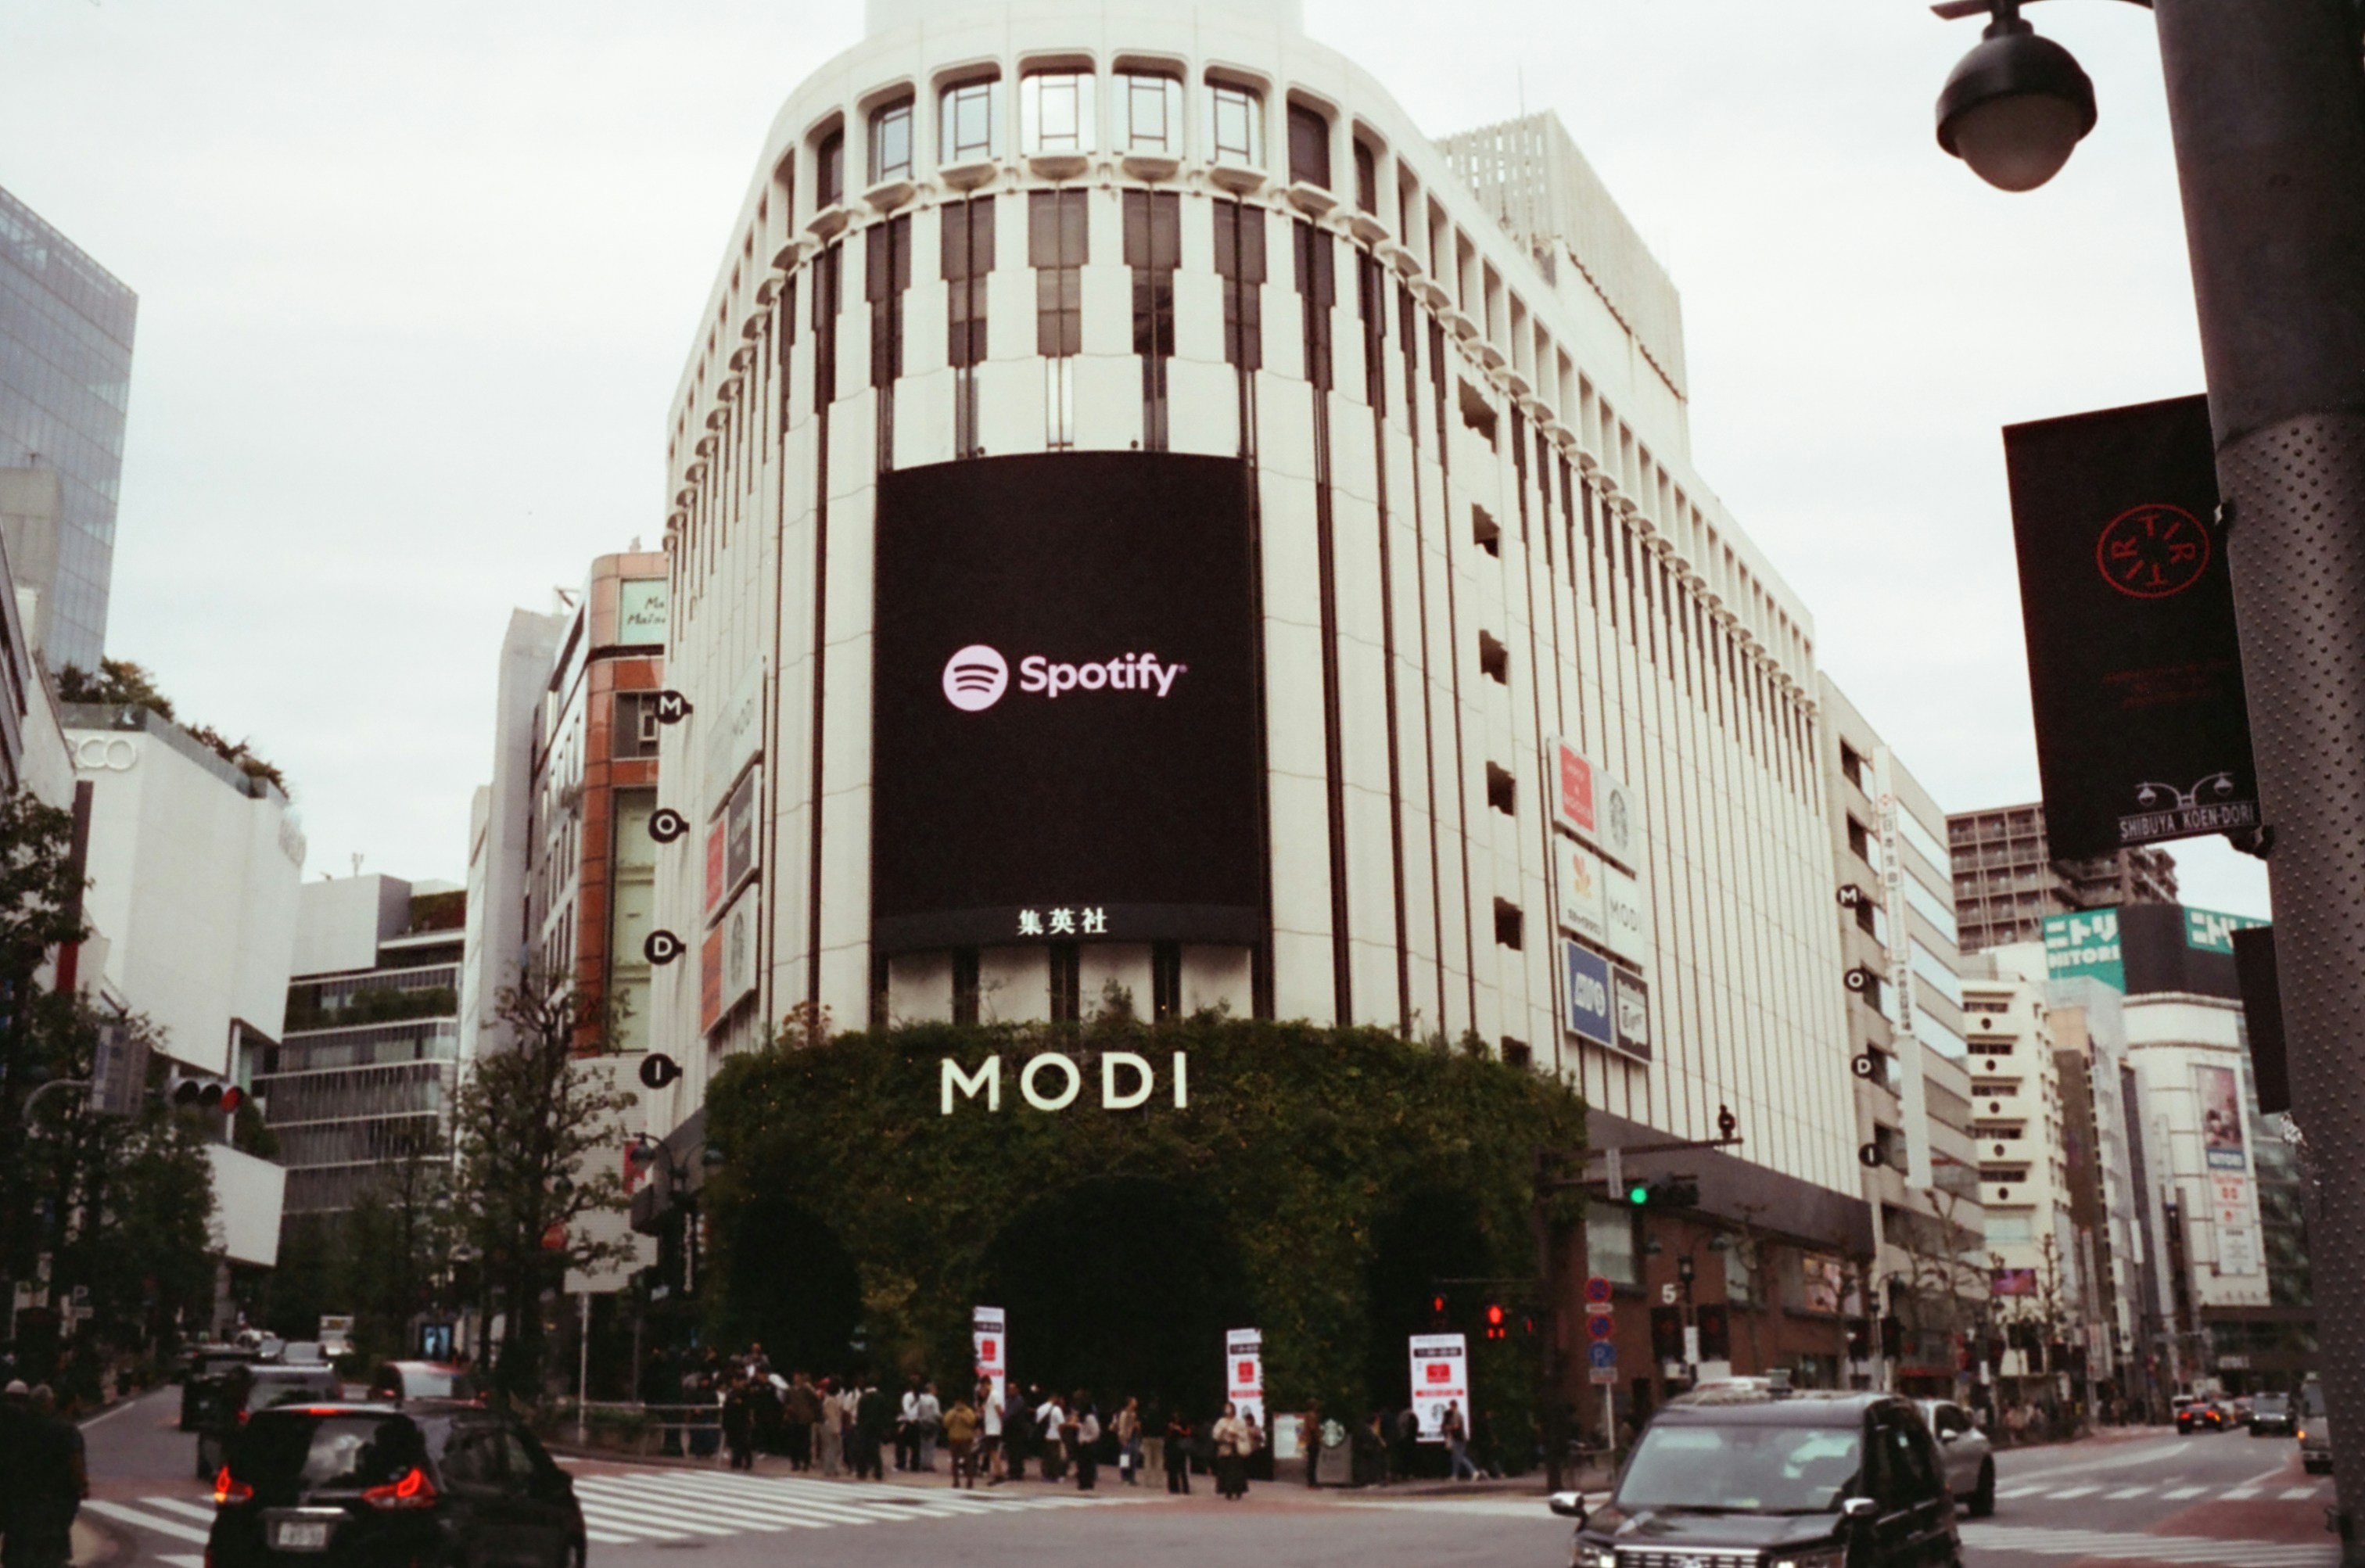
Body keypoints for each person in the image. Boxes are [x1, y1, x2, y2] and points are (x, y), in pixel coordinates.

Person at [6, 1385, 84, 1568]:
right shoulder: (64, 1430)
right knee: (52, 1539)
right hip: (54, 1495)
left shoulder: (18, 1429)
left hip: (23, 1495)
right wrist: (82, 1485)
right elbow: (75, 1461)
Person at [1211, 1401, 1251, 1501]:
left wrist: (1236, 1433)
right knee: (1225, 1470)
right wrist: (1222, 1431)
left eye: (1229, 1408)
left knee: (1237, 1470)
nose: (1228, 1410)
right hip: (1225, 1448)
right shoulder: (1221, 1421)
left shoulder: (1239, 1422)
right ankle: (1227, 1491)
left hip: (1236, 1448)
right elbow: (1215, 1436)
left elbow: (1244, 1435)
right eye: (1226, 1408)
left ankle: (1238, 1490)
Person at [856, 1378, 894, 1480]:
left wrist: (859, 1427)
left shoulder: (863, 1398)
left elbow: (860, 1415)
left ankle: (862, 1472)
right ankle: (878, 1472)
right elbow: (885, 1414)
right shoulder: (880, 1397)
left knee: (862, 1449)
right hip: (877, 1427)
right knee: (875, 1449)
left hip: (864, 1427)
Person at [942, 1393, 981, 1488]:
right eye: (957, 1403)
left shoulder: (969, 1412)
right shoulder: (951, 1412)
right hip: (954, 1439)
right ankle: (956, 1481)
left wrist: (963, 1417)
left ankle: (969, 1481)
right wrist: (953, 1416)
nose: (958, 1405)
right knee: (954, 1461)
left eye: (960, 1403)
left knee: (968, 1461)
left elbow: (972, 1423)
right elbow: (946, 1423)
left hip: (966, 1440)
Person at [784, 1372, 820, 1471]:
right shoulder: (790, 1390)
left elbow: (815, 1399)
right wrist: (788, 1409)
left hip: (805, 1419)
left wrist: (810, 1411)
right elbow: (786, 1402)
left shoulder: (806, 1389)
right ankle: (795, 1463)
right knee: (793, 1442)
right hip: (794, 1419)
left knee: (805, 1442)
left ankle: (806, 1463)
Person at [721, 1376, 755, 1471]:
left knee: (743, 1442)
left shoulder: (746, 1393)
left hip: (742, 1420)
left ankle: (748, 1461)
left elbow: (750, 1406)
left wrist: (742, 1403)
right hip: (732, 1421)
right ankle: (736, 1461)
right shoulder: (731, 1393)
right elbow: (726, 1407)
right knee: (734, 1442)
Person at [1441, 1400, 1477, 1481]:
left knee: (1459, 1457)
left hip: (1459, 1438)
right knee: (1455, 1457)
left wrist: (1448, 1427)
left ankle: (1473, 1471)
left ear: (1453, 1406)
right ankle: (1454, 1475)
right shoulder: (1456, 1414)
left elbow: (1456, 1426)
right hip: (1458, 1438)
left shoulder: (1456, 1414)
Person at [1071, 1394, 1100, 1491]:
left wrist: (1088, 1440)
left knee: (1087, 1465)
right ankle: (1083, 1482)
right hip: (1082, 1444)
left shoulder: (1090, 1418)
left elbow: (1096, 1432)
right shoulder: (1083, 1418)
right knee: (1082, 1465)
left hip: (1087, 1444)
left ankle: (1087, 1483)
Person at [913, 1380, 943, 1473]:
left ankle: (922, 1463)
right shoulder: (934, 1400)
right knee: (931, 1445)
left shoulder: (921, 1399)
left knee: (923, 1445)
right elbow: (936, 1413)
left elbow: (917, 1411)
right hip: (932, 1424)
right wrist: (942, 1416)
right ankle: (929, 1464)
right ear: (932, 1390)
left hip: (922, 1423)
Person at [1162, 1410, 1195, 1494]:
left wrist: (1180, 1430)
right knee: (1172, 1469)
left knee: (1183, 1469)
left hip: (1181, 1449)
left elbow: (1188, 1433)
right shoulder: (1169, 1424)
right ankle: (1173, 1488)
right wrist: (1171, 1428)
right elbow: (1167, 1435)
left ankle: (1186, 1488)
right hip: (1172, 1448)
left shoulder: (1184, 1424)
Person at [1114, 1397, 1143, 1485]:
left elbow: (1137, 1426)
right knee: (1125, 1457)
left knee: (1134, 1457)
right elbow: (1122, 1426)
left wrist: (1137, 1425)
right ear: (1130, 1403)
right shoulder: (1124, 1413)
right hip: (1126, 1437)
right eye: (1134, 1401)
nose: (1136, 1403)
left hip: (1134, 1437)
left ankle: (1132, 1477)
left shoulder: (1135, 1414)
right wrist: (1122, 1438)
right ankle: (1124, 1477)